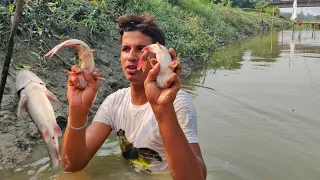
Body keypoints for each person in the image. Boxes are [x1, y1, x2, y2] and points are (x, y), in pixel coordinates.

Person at [61, 13, 207, 179]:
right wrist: (77, 111)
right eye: (125, 49)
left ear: (158, 58)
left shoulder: (178, 103)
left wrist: (163, 109)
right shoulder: (115, 102)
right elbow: (71, 166)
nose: (131, 56)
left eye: (141, 49)